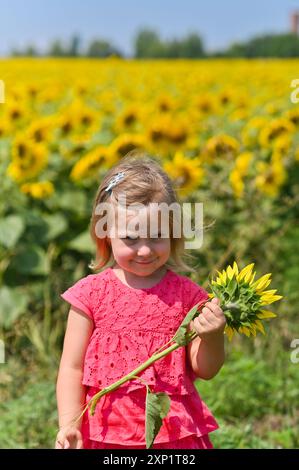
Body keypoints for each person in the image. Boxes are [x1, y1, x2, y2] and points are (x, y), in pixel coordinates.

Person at [55, 152, 226, 450]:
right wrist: (69, 424)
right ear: (106, 235)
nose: (145, 250)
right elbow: (71, 368)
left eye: (157, 236)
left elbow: (205, 369)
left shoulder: (188, 296)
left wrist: (213, 336)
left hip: (172, 436)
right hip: (104, 433)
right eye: (131, 239)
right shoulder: (90, 294)